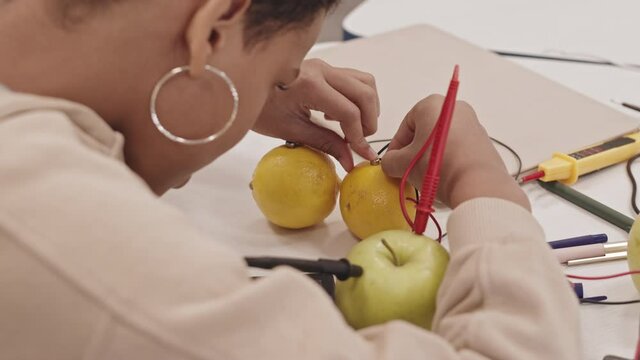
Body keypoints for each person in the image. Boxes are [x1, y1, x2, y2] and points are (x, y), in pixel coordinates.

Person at [0, 0, 579, 359]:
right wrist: (484, 183)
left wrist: (220, 82)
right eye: (282, 74)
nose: (278, 90)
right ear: (212, 27)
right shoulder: (63, 232)